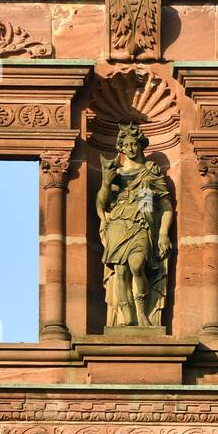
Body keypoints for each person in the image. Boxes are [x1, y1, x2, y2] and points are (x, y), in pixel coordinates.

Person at [96, 123, 172, 328]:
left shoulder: (151, 172)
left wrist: (163, 233)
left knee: (137, 265)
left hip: (142, 224)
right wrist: (105, 183)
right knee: (120, 271)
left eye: (134, 144)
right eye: (127, 145)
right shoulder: (116, 173)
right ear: (121, 147)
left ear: (141, 146)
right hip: (119, 223)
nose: (131, 148)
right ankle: (127, 314)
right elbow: (102, 203)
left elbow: (166, 205)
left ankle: (141, 311)